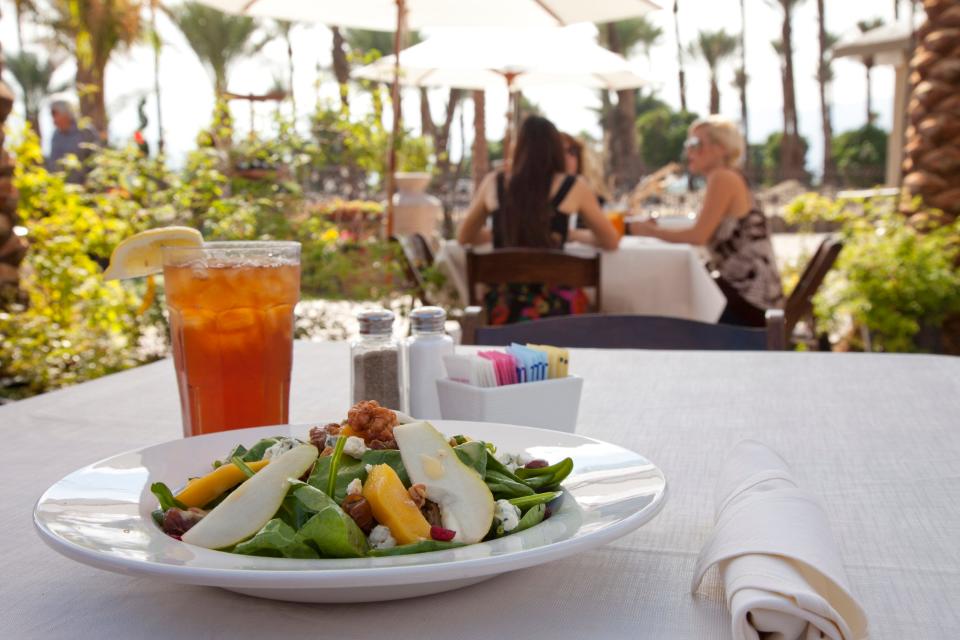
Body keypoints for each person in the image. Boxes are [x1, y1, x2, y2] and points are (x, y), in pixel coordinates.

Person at [457, 115, 619, 325]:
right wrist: (570, 234)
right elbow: (610, 241)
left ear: (519, 148)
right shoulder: (574, 185)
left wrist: (502, 232)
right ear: (555, 150)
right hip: (559, 314)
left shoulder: (494, 182)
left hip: (502, 311)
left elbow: (465, 237)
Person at [629, 116, 784, 314]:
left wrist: (648, 231)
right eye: (688, 144)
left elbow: (698, 236)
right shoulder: (727, 176)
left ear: (721, 147)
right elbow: (703, 229)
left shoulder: (723, 178)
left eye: (695, 144)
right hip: (752, 295)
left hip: (751, 299)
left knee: (663, 305)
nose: (689, 151)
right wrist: (656, 228)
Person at [45, 99, 98, 183]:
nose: (53, 120)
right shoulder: (56, 136)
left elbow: (97, 160)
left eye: (55, 115)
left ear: (66, 113)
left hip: (86, 189)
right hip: (61, 189)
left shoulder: (85, 131)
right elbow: (52, 164)